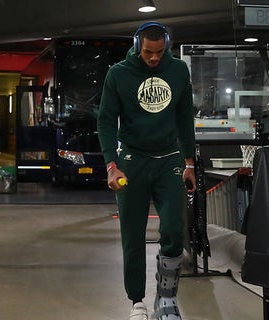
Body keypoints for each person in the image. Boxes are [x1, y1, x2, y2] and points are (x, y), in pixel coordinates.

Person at [97, 21, 196, 320]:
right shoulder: (118, 74)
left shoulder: (178, 71)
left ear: (166, 46)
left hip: (169, 160)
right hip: (131, 160)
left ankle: (166, 299)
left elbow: (184, 119)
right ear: (137, 45)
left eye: (159, 52)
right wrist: (111, 165)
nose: (154, 58)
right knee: (132, 233)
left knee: (174, 230)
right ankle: (137, 302)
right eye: (148, 52)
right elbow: (105, 121)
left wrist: (189, 162)